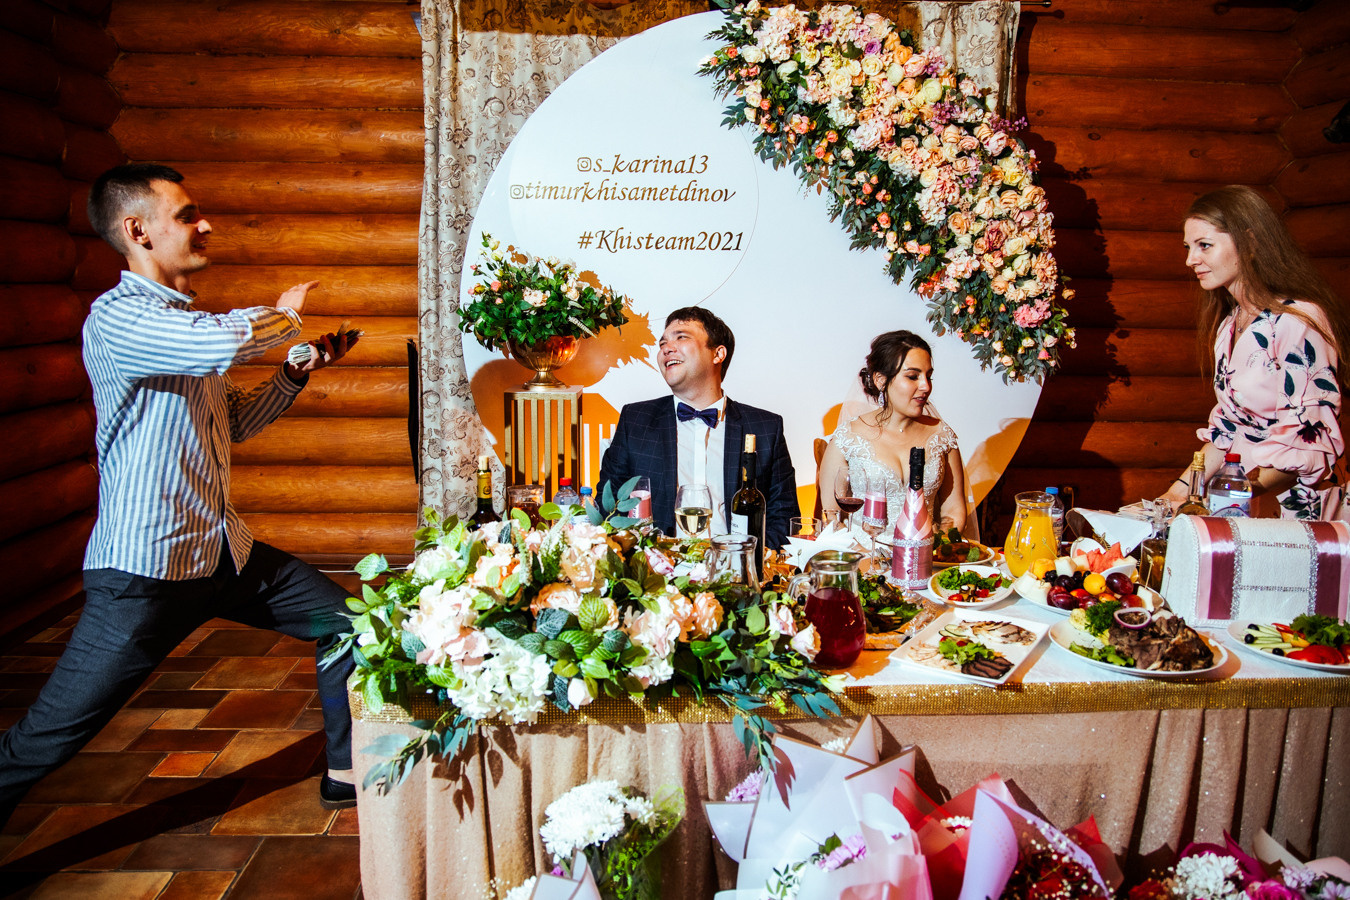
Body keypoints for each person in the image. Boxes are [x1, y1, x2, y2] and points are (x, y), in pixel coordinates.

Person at [0, 163, 361, 826]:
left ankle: (345, 772)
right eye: (188, 215)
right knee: (48, 737)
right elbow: (220, 343)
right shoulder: (119, 319)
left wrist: (292, 375)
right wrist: (285, 318)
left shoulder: (182, 329)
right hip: (146, 573)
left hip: (225, 557)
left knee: (348, 624)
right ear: (138, 231)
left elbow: (236, 422)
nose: (206, 225)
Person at [1162, 185, 1347, 521]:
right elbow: (1227, 431)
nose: (1191, 260)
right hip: (1242, 496)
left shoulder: (1297, 321)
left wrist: (1227, 496)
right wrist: (1175, 495)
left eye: (1205, 245)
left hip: (1294, 505)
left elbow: (1308, 438)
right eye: (1188, 247)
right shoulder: (1230, 324)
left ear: (1249, 243)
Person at [598, 306, 798, 549]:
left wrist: (745, 559)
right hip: (659, 565)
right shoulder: (635, 420)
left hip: (736, 564)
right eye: (662, 343)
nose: (666, 348)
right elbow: (608, 509)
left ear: (718, 354)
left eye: (681, 337)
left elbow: (784, 519)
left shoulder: (766, 427)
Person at [818, 330, 969, 535]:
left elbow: (953, 511)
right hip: (864, 552)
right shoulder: (847, 438)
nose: (926, 386)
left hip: (924, 551)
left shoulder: (942, 436)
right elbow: (831, 517)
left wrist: (937, 546)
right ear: (881, 380)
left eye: (928, 376)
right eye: (913, 376)